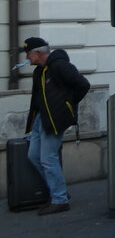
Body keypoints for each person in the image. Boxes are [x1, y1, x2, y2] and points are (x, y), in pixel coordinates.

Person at [20, 37, 90, 215]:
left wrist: (67, 106)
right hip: (41, 119)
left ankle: (60, 199)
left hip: (54, 119)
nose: (26, 57)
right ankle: (59, 190)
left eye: (28, 53)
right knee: (34, 156)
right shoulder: (39, 71)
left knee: (47, 158)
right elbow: (37, 98)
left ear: (38, 53)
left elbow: (83, 85)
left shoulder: (59, 66)